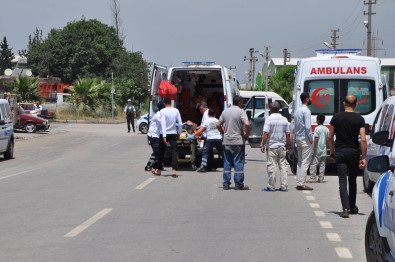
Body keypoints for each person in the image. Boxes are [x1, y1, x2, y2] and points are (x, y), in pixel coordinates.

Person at [329, 95, 367, 218]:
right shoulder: (360, 119)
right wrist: (364, 157)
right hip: (354, 152)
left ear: (343, 103)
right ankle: (352, 206)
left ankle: (345, 208)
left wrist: (332, 151)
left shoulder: (336, 117)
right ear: (356, 104)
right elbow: (363, 139)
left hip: (340, 151)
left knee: (342, 181)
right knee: (352, 180)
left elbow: (330, 137)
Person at [216, 95, 250, 190]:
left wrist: (223, 133)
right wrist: (247, 135)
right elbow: (247, 124)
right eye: (242, 102)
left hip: (226, 141)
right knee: (238, 162)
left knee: (227, 162)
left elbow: (218, 124)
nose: (242, 104)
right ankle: (238, 184)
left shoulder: (225, 111)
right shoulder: (241, 111)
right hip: (238, 141)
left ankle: (226, 184)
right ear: (239, 102)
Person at [260, 101, 290, 192]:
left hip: (272, 146)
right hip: (282, 146)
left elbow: (266, 133)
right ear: (279, 109)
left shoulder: (269, 119)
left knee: (272, 166)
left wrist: (263, 145)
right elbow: (288, 134)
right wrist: (288, 144)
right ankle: (284, 186)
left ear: (270, 109)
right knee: (283, 166)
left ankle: (271, 186)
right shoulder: (284, 119)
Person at [294, 92, 314, 191]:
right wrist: (311, 138)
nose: (311, 99)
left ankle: (299, 182)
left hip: (298, 138)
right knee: (305, 162)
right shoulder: (307, 111)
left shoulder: (297, 110)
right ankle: (302, 183)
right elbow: (308, 127)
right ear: (306, 99)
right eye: (310, 97)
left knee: (300, 162)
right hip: (305, 139)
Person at [160, 97, 183, 177]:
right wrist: (179, 133)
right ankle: (174, 170)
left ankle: (158, 169)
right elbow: (180, 123)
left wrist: (164, 136)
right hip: (173, 133)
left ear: (164, 103)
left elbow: (163, 123)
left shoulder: (162, 111)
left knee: (161, 151)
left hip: (165, 133)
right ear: (171, 103)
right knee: (174, 151)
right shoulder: (176, 110)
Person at [308, 114, 329, 183]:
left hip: (317, 149)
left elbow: (316, 139)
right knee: (322, 165)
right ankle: (321, 178)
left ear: (318, 120)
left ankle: (313, 178)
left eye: (317, 119)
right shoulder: (326, 129)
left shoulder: (317, 128)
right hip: (323, 148)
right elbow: (327, 140)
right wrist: (326, 147)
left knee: (313, 163)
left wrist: (313, 148)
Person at [148, 101, 166, 176]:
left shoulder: (160, 114)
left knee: (157, 152)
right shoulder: (159, 115)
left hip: (156, 135)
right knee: (157, 152)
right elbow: (164, 123)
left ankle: (157, 166)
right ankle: (149, 166)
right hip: (153, 136)